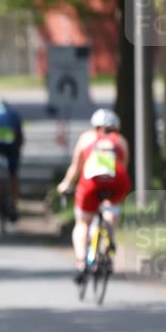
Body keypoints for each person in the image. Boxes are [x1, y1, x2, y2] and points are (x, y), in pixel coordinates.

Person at [57, 108, 131, 283]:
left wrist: (65, 185)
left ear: (94, 126)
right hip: (117, 181)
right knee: (111, 213)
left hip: (91, 182)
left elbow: (76, 167)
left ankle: (81, 262)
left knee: (82, 223)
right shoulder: (120, 141)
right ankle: (109, 241)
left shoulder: (87, 138)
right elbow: (123, 168)